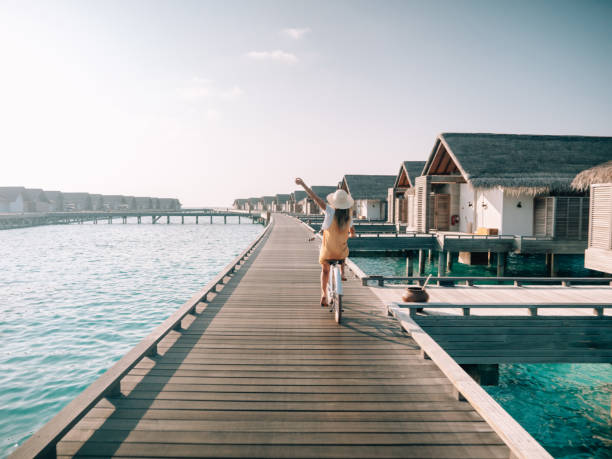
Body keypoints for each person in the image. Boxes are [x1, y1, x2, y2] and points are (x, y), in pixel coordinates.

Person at [295, 178, 355, 306]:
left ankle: (323, 294)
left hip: (328, 251)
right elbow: (352, 231)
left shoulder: (330, 210)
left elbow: (315, 197)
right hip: (340, 252)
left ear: (335, 201)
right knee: (344, 249)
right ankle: (342, 272)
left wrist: (303, 184)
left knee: (325, 270)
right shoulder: (348, 215)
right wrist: (351, 235)